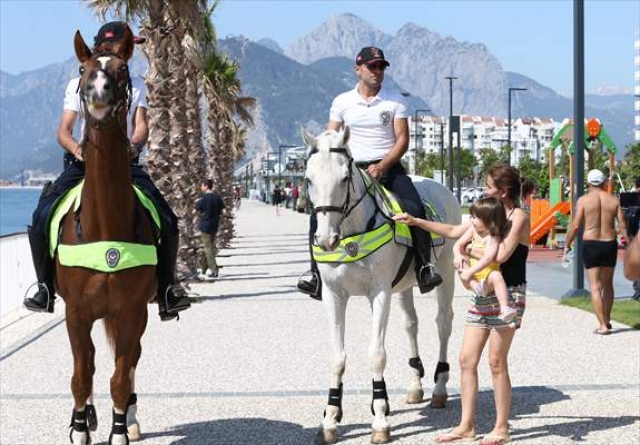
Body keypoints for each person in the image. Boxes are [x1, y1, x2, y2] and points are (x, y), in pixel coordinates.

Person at [22, 21, 191, 321]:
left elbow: (141, 127)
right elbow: (64, 130)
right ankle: (44, 286)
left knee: (167, 219)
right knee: (40, 218)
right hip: (82, 162)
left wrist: (133, 148)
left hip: (125, 163)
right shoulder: (78, 83)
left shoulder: (134, 83)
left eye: (125, 48)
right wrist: (78, 150)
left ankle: (168, 289)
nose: (123, 52)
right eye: (117, 47)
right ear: (102, 47)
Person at [394, 165, 533, 445]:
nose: (483, 190)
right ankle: (466, 426)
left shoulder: (518, 217)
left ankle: (501, 427)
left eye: (488, 186)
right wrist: (416, 222)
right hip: (481, 294)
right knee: (466, 360)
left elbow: (502, 254)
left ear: (503, 191)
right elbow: (454, 229)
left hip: (509, 294)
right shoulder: (486, 213)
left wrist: (464, 250)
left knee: (496, 362)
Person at [296, 46, 442, 300]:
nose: (378, 71)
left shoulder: (395, 100)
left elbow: (402, 141)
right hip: (352, 170)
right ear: (358, 69)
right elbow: (331, 136)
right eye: (372, 66)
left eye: (381, 66)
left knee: (414, 208)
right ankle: (315, 275)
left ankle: (423, 267)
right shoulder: (342, 102)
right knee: (317, 214)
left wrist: (383, 165)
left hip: (388, 168)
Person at [563, 169, 627, 335]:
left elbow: (576, 225)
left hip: (591, 243)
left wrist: (567, 244)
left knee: (595, 286)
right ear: (604, 182)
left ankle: (602, 326)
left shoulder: (584, 200)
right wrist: (622, 236)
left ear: (589, 183)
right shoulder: (613, 200)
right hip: (609, 243)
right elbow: (622, 224)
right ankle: (606, 319)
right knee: (608, 284)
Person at [453, 197, 517, 324]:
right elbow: (457, 245)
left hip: (487, 273)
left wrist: (471, 271)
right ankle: (476, 287)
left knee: (497, 276)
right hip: (471, 276)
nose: (471, 220)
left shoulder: (493, 236)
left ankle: (505, 308)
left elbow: (489, 258)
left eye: (474, 217)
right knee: (458, 262)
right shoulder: (473, 231)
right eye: (471, 216)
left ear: (487, 220)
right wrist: (458, 255)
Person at [196, 179, 225, 280]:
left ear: (206, 186)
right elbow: (223, 210)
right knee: (207, 246)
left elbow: (197, 208)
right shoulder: (217, 197)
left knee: (208, 248)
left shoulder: (204, 198)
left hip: (205, 225)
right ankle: (203, 269)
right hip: (214, 225)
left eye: (202, 186)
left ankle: (214, 270)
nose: (201, 188)